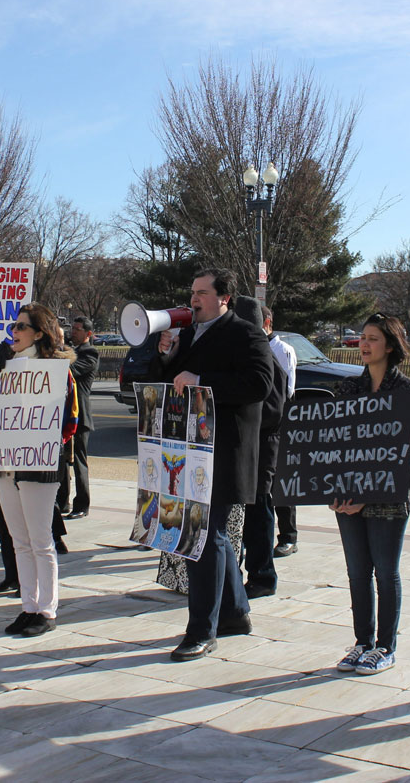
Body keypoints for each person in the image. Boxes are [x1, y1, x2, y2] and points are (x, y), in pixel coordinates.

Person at [150, 268, 273, 661]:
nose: (193, 299)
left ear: (224, 298)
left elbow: (259, 384)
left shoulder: (245, 333)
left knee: (203, 537)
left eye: (202, 293)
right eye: (192, 292)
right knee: (211, 536)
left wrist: (202, 377)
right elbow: (171, 384)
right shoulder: (187, 336)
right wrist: (166, 357)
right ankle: (234, 613)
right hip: (190, 451)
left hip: (224, 453)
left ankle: (202, 630)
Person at [331, 313, 410, 676]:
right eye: (361, 337)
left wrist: (368, 494)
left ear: (390, 345)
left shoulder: (404, 390)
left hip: (387, 495)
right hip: (347, 496)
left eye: (372, 338)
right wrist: (333, 491)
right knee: (356, 573)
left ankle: (385, 646)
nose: (364, 344)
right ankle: (362, 642)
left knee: (385, 573)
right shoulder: (348, 389)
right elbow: (334, 446)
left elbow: (397, 452)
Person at [0, 303, 79, 638]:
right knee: (19, 539)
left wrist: (44, 442)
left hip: (39, 463)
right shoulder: (4, 365)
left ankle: (47, 609)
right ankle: (28, 605)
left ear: (38, 333)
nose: (14, 332)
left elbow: (71, 419)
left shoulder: (55, 370)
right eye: (13, 327)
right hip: (7, 463)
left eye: (21, 327)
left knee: (40, 540)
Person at [233, 297, 287, 600]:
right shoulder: (249, 353)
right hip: (246, 451)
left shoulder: (265, 356)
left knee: (259, 515)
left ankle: (263, 575)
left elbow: (273, 410)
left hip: (261, 451)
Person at [266, 307, 301, 557]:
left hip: (278, 424)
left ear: (267, 322)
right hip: (258, 424)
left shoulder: (282, 350)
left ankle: (288, 536)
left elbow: (286, 391)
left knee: (280, 482)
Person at [60, 316, 99, 519]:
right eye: (72, 328)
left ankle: (82, 505)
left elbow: (70, 372)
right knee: (62, 461)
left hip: (79, 416)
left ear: (88, 334)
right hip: (64, 415)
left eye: (77, 329)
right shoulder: (70, 350)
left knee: (79, 461)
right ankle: (62, 502)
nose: (73, 332)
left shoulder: (90, 353)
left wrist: (58, 351)